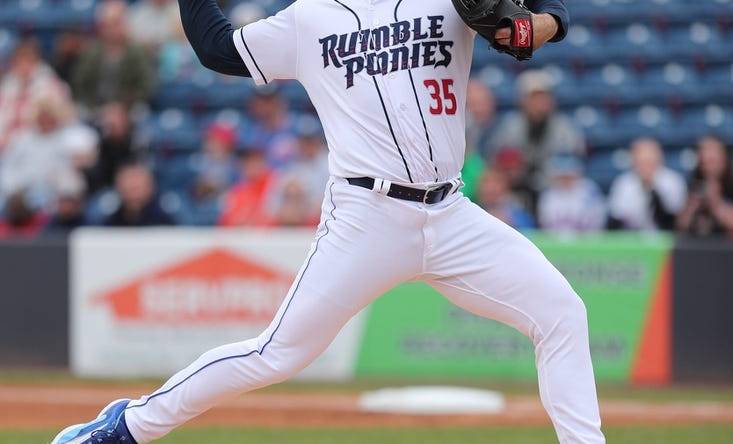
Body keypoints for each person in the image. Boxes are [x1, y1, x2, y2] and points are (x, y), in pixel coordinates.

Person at [52, 1, 605, 444]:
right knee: (276, 353)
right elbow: (218, 50)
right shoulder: (310, 17)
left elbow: (541, 14)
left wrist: (541, 24)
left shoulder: (447, 1)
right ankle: (126, 426)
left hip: (452, 213)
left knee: (561, 312)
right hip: (367, 218)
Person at [487, 69, 585, 193]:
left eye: (544, 97)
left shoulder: (565, 129)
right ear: (523, 100)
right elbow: (495, 161)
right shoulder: (509, 127)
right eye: (534, 97)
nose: (539, 103)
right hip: (516, 191)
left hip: (555, 192)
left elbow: (575, 165)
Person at [0, 94, 98, 210]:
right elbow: (8, 168)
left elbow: (78, 165)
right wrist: (15, 190)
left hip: (55, 196)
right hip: (21, 194)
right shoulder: (22, 139)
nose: (46, 121)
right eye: (43, 117)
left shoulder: (67, 139)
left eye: (49, 117)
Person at [72, 0, 155, 113]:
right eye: (107, 25)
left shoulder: (137, 51)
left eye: (116, 23)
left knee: (141, 112)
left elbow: (147, 86)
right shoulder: (91, 52)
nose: (112, 29)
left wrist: (123, 106)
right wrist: (96, 107)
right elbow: (80, 84)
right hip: (95, 107)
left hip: (129, 108)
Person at [0, 37, 69, 149]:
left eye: (28, 60)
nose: (24, 66)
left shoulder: (50, 84)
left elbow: (57, 119)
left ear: (36, 61)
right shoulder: (7, 86)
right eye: (19, 61)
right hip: (7, 143)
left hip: (39, 142)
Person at [608, 137, 686, 231]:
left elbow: (677, 217)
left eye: (650, 161)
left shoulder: (673, 181)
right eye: (641, 162)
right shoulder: (623, 184)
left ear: (659, 160)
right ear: (634, 162)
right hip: (632, 239)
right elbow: (617, 218)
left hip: (667, 236)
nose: (646, 167)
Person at [678, 135, 733, 236]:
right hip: (696, 246)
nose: (709, 167)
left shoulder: (730, 183)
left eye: (713, 161)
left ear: (724, 159)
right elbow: (681, 226)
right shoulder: (692, 183)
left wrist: (716, 203)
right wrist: (693, 205)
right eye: (706, 162)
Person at [537, 155, 607, 233]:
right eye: (561, 177)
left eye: (568, 176)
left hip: (587, 240)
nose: (565, 180)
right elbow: (545, 224)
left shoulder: (589, 190)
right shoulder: (548, 195)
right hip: (556, 241)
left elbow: (598, 221)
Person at [217, 145, 278, 226]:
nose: (249, 164)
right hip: (243, 236)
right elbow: (226, 222)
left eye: (254, 160)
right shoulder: (237, 191)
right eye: (246, 161)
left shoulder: (276, 184)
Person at [104, 163, 175, 227]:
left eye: (137, 189)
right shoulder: (108, 220)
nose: (134, 196)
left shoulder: (168, 220)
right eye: (128, 190)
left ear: (150, 188)